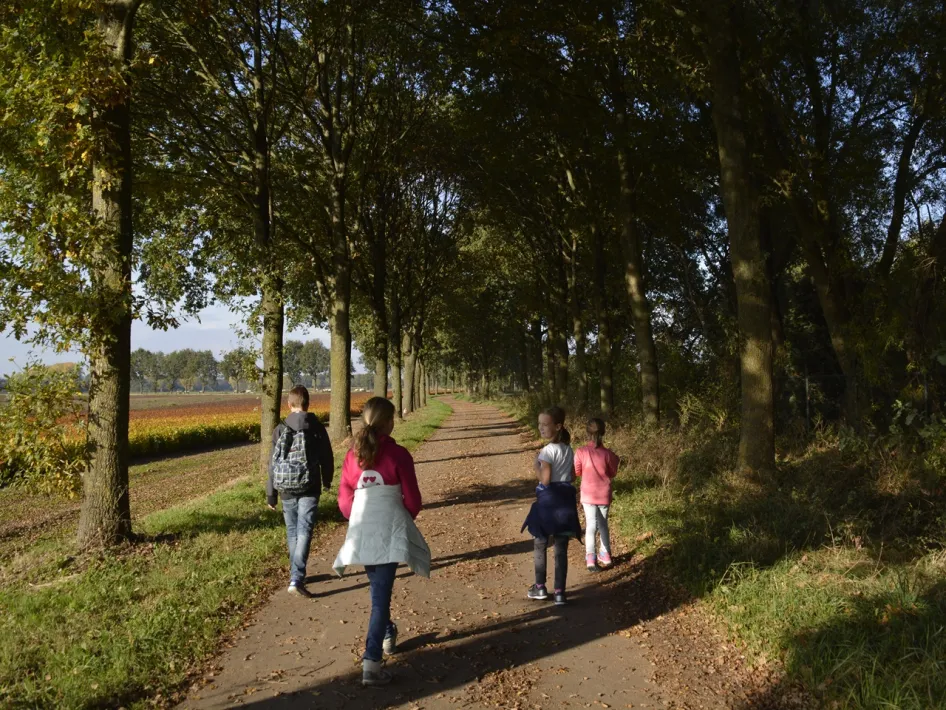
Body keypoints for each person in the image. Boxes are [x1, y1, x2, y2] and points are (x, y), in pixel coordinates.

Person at [333, 397, 430, 687]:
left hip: (362, 530)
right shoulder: (399, 455)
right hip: (387, 530)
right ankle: (371, 663)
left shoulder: (352, 456)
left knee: (378, 593)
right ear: (389, 422)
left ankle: (387, 631)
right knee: (380, 598)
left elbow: (344, 501)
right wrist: (402, 519)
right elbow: (413, 500)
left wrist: (359, 519)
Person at [267, 385, 335, 598]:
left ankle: (296, 574)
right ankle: (297, 577)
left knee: (293, 530)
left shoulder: (280, 428)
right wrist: (327, 480)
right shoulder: (316, 427)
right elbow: (327, 456)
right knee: (305, 529)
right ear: (308, 404)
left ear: (288, 405)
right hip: (310, 486)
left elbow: (272, 464)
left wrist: (271, 494)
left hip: (286, 487)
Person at [521, 405, 580, 606]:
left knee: (540, 542)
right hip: (565, 502)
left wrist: (536, 466)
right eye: (539, 424)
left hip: (548, 502)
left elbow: (545, 480)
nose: (541, 428)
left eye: (545, 425)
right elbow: (572, 476)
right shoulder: (568, 449)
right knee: (561, 548)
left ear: (558, 426)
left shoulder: (546, 451)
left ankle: (539, 587)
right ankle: (560, 592)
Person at [575, 418, 620, 571]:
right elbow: (613, 472)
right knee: (603, 524)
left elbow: (577, 471)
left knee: (591, 525)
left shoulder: (581, 452)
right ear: (603, 433)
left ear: (587, 432)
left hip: (588, 494)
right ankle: (606, 555)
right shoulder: (608, 454)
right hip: (604, 494)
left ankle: (590, 557)